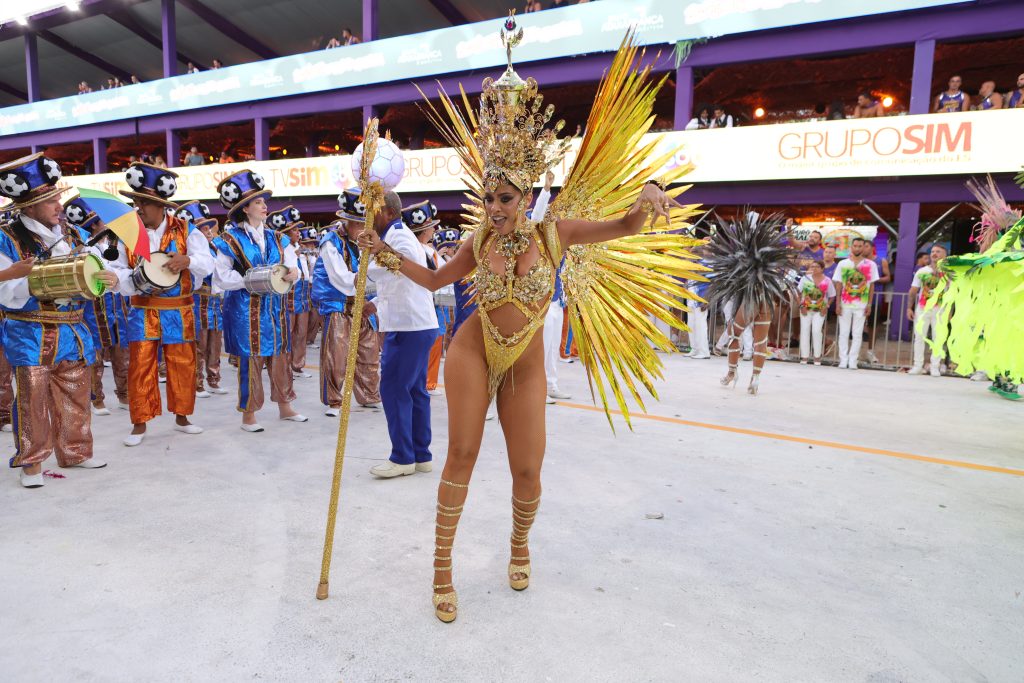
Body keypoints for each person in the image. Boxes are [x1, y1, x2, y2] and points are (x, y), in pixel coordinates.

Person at [358, 28, 700, 621]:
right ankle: (441, 569)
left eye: (506, 198)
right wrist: (382, 252)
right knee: (461, 452)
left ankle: (519, 544)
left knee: (527, 468)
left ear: (526, 196)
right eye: (489, 196)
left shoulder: (555, 233)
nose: (494, 207)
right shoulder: (476, 239)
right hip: (472, 350)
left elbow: (623, 227)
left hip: (525, 362)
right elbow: (437, 283)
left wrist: (648, 197)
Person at [0, 153, 122, 488]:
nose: (58, 204)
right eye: (50, 199)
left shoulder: (72, 234)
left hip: (73, 327)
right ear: (30, 206)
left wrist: (108, 278)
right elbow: (7, 291)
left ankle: (76, 451)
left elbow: (95, 269)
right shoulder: (6, 238)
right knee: (32, 399)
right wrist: (33, 276)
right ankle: (32, 464)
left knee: (76, 393)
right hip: (30, 330)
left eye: (56, 197)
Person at [113, 163, 213, 446]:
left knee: (183, 363)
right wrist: (136, 279)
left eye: (142, 203)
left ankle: (182, 418)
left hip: (180, 310)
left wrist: (188, 261)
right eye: (135, 203)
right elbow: (117, 270)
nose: (138, 208)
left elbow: (207, 263)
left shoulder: (186, 230)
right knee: (140, 365)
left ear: (160, 205)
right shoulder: (129, 233)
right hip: (142, 309)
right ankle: (139, 424)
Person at [212, 169, 307, 431]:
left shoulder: (278, 237)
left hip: (274, 309)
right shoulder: (229, 240)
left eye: (264, 202)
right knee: (250, 359)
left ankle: (285, 407)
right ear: (245, 209)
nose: (265, 206)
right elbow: (221, 276)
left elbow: (292, 266)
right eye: (259, 202)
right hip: (244, 309)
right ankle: (249, 415)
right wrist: (249, 280)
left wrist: (293, 273)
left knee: (280, 355)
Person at [361, 190, 438, 478]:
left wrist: (369, 254)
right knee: (414, 390)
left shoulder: (399, 237)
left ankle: (402, 457)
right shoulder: (395, 236)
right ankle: (421, 454)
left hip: (409, 327)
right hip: (412, 323)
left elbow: (387, 270)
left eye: (371, 211)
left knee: (393, 389)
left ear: (384, 211)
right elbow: (399, 282)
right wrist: (376, 303)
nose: (368, 218)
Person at [706, 212, 795, 394]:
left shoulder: (742, 250)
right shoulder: (770, 252)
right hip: (766, 297)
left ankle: (732, 372)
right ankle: (755, 378)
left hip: (751, 299)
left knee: (735, 335)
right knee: (760, 340)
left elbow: (733, 273)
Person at [313, 193, 381, 417]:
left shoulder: (367, 241)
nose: (364, 229)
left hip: (363, 304)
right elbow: (341, 279)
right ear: (348, 222)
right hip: (338, 305)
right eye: (360, 224)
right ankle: (334, 400)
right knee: (337, 355)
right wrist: (368, 281)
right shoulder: (330, 242)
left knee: (369, 352)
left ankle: (369, 394)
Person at [63, 197, 130, 413]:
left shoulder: (117, 243)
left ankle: (124, 395)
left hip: (117, 304)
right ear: (94, 224)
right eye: (105, 220)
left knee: (122, 352)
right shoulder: (83, 247)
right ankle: (97, 398)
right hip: (94, 306)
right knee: (95, 355)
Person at [174, 200, 227, 397]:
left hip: (215, 302)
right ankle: (197, 383)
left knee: (215, 343)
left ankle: (214, 379)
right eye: (202, 228)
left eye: (208, 227)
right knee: (199, 344)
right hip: (198, 301)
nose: (208, 231)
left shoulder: (214, 249)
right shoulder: (189, 252)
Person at [404, 200, 447, 395]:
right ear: (424, 230)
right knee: (424, 347)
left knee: (434, 343)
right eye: (431, 226)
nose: (434, 230)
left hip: (433, 305)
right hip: (421, 306)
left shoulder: (430, 251)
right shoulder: (417, 251)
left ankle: (428, 382)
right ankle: (425, 383)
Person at [267, 206, 314, 379]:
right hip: (288, 295)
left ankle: (298, 365)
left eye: (298, 229)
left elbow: (306, 273)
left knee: (301, 333)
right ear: (286, 232)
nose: (298, 233)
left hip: (302, 295)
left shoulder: (300, 250)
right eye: (294, 229)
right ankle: (284, 366)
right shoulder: (282, 249)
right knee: (286, 332)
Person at [831, 236, 879, 370]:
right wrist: (837, 304)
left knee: (857, 334)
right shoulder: (843, 264)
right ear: (851, 247)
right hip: (845, 304)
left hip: (861, 305)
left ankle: (853, 360)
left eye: (860, 246)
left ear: (864, 247)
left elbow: (872, 286)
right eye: (855, 246)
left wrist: (869, 304)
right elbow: (839, 284)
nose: (857, 248)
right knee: (844, 333)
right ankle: (843, 359)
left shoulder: (871, 265)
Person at [907, 243, 949, 376]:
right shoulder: (922, 271)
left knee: (938, 339)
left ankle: (934, 366)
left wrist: (950, 312)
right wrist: (909, 308)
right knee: (919, 337)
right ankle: (917, 365)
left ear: (944, 255)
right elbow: (913, 291)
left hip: (940, 310)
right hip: (922, 309)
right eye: (933, 252)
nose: (934, 254)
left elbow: (952, 293)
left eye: (938, 252)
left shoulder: (949, 273)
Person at [797, 260, 835, 365]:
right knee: (804, 330)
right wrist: (801, 305)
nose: (814, 268)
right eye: (812, 266)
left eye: (817, 266)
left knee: (817, 331)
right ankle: (804, 356)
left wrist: (826, 306)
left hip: (820, 310)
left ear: (822, 268)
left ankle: (817, 356)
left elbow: (832, 295)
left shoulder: (827, 280)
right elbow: (797, 292)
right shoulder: (805, 279)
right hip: (806, 309)